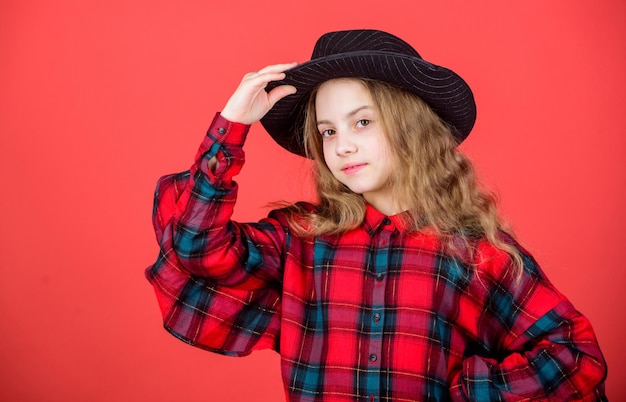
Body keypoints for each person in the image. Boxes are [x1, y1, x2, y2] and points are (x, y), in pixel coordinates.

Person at [145, 30, 607, 401]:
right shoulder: (301, 239)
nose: (341, 145)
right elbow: (193, 246)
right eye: (328, 131)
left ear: (409, 126)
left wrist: (469, 391)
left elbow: (573, 356)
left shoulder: (475, 253)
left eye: (362, 122)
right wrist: (232, 124)